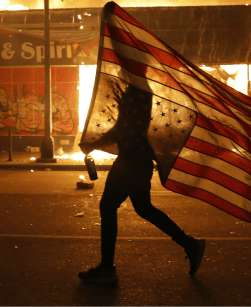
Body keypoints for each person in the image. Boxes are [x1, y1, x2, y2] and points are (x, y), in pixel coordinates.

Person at [78, 84, 205, 284]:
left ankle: (107, 269)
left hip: (131, 161)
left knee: (108, 206)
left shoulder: (137, 90)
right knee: (144, 208)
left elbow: (123, 128)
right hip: (138, 159)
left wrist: (93, 144)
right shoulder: (139, 88)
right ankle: (189, 244)